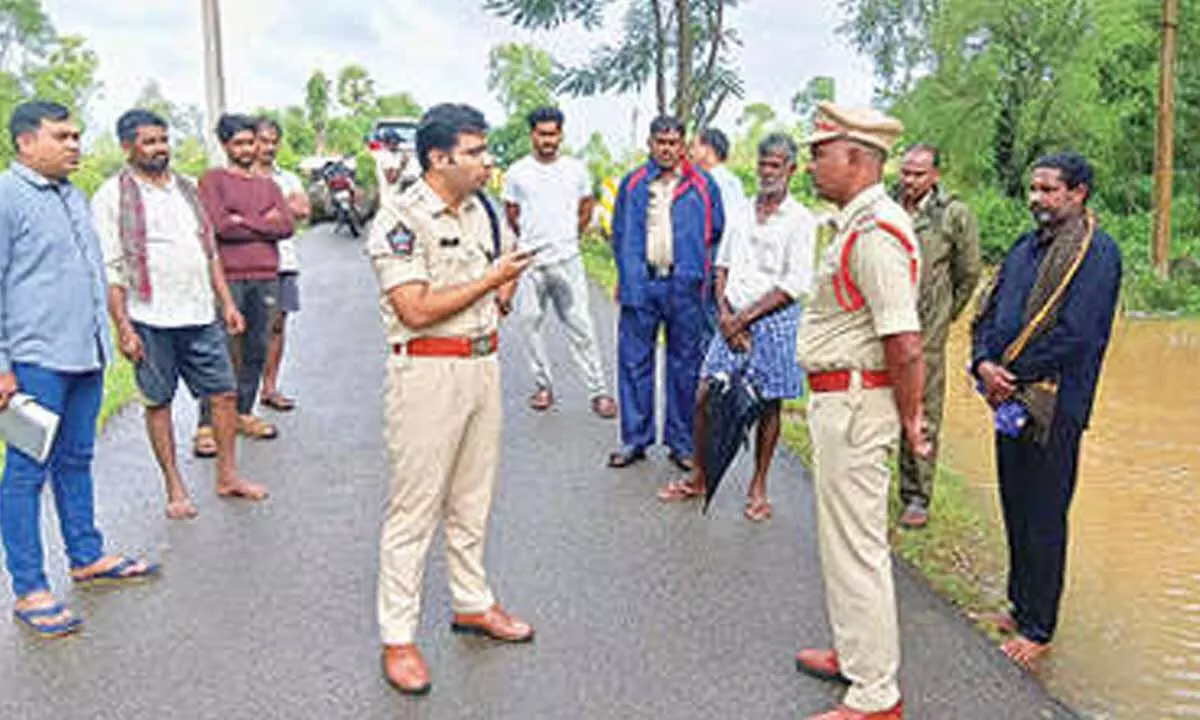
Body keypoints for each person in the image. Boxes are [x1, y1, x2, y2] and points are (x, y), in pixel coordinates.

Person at [367, 103, 537, 695]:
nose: (487, 161)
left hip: (482, 365)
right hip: (427, 371)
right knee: (414, 508)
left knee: (472, 498)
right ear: (439, 158)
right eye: (475, 152)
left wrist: (504, 287)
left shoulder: (482, 209)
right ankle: (398, 637)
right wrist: (491, 282)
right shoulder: (401, 216)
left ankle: (472, 602)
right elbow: (413, 309)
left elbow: (506, 259)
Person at [0, 101, 159, 638]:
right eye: (61, 136)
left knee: (76, 459)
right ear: (26, 142)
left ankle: (86, 556)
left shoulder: (72, 196)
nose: (74, 145)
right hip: (34, 360)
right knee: (26, 471)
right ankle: (30, 588)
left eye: (76, 136)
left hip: (84, 355)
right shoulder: (7, 197)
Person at [792, 102, 928, 720]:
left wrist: (912, 418)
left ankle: (876, 695)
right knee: (839, 543)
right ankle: (856, 656)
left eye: (820, 153)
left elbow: (904, 341)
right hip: (842, 398)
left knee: (857, 548)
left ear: (856, 159)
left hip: (857, 402)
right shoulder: (854, 224)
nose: (811, 164)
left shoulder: (875, 233)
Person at [970, 152, 1121, 669]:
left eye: (1049, 190)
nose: (1037, 198)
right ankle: (1020, 604)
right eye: (1033, 188)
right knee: (1014, 503)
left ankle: (1039, 628)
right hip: (1007, 396)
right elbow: (988, 312)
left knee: (1045, 513)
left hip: (1055, 406)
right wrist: (983, 364)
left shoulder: (1097, 253)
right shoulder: (1023, 247)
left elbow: (1079, 335)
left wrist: (1009, 372)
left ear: (1078, 193)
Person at [95, 109, 269, 520]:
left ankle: (228, 476)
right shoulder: (111, 196)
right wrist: (123, 327)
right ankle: (174, 486)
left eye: (163, 140)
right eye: (149, 142)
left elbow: (209, 253)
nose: (160, 148)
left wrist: (227, 303)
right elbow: (112, 268)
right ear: (127, 147)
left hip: (199, 312)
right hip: (149, 317)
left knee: (224, 393)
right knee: (159, 401)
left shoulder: (187, 188)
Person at [657, 133, 815, 522]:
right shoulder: (742, 210)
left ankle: (758, 485)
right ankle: (699, 475)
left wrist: (744, 320)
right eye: (763, 164)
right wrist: (727, 315)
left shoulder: (801, 220)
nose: (767, 172)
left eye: (775, 165)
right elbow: (722, 266)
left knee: (768, 403)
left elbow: (794, 283)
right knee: (704, 393)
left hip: (774, 319)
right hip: (731, 315)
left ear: (791, 170)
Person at [607, 115, 725, 471]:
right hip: (642, 283)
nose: (667, 149)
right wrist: (627, 275)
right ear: (650, 143)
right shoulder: (632, 184)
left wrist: (706, 280)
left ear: (683, 145)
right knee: (634, 361)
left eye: (673, 142)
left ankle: (682, 442)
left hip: (686, 286)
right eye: (661, 142)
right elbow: (619, 233)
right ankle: (635, 439)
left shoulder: (702, 185)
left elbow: (716, 233)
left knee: (685, 364)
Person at [503, 106, 617, 418]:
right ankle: (543, 386)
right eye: (542, 134)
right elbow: (512, 214)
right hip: (530, 263)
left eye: (553, 134)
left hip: (567, 260)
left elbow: (586, 207)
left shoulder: (575, 170)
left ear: (561, 135)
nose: (548, 140)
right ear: (532, 135)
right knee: (530, 325)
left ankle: (599, 391)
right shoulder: (517, 173)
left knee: (582, 327)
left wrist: (569, 236)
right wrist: (530, 241)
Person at [192, 113, 295, 456]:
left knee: (256, 347)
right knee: (220, 348)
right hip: (228, 277)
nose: (247, 149)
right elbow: (219, 226)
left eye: (251, 142)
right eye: (239, 143)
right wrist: (262, 222)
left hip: (265, 275)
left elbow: (286, 226)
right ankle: (206, 424)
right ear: (225, 146)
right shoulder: (213, 181)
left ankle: (243, 413)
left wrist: (242, 220)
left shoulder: (269, 186)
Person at [894, 143, 981, 529]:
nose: (909, 181)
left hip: (926, 329)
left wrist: (945, 316)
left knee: (922, 409)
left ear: (935, 176)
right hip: (884, 323)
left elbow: (969, 273)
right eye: (905, 172)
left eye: (918, 174)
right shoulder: (885, 205)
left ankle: (917, 495)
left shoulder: (953, 214)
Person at [253, 117, 312, 413]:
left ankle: (270, 387)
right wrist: (278, 208)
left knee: (276, 326)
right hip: (249, 265)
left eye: (274, 141)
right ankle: (239, 398)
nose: (269, 147)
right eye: (263, 141)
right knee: (246, 330)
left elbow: (303, 210)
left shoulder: (288, 178)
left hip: (283, 263)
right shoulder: (240, 177)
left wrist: (261, 212)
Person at [690, 127, 748, 228]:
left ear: (707, 149)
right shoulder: (734, 181)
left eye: (694, 147)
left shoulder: (708, 182)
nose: (691, 153)